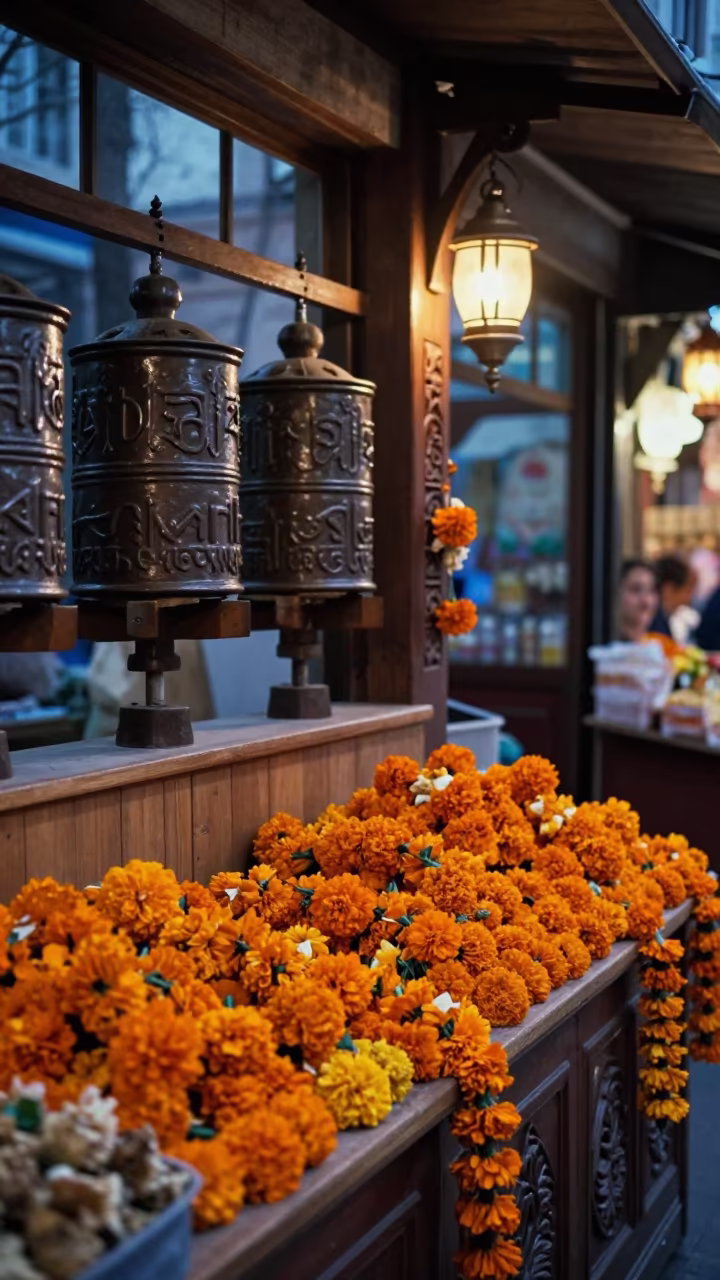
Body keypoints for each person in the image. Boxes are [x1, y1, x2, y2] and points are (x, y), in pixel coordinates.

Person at [650, 554, 698, 641]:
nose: (689, 599)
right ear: (669, 590)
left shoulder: (661, 620)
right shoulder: (654, 626)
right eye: (688, 590)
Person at [616, 558, 659, 642]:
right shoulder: (602, 647)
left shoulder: (661, 645)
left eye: (651, 590)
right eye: (636, 590)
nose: (646, 602)